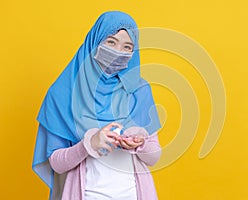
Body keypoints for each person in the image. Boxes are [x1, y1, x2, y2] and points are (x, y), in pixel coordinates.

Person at [32, 11, 162, 200]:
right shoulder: (61, 93)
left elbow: (154, 157)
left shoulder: (139, 90)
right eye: (111, 42)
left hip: (134, 194)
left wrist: (139, 145)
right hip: (85, 194)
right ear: (95, 41)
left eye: (127, 47)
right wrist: (88, 145)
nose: (118, 51)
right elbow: (56, 163)